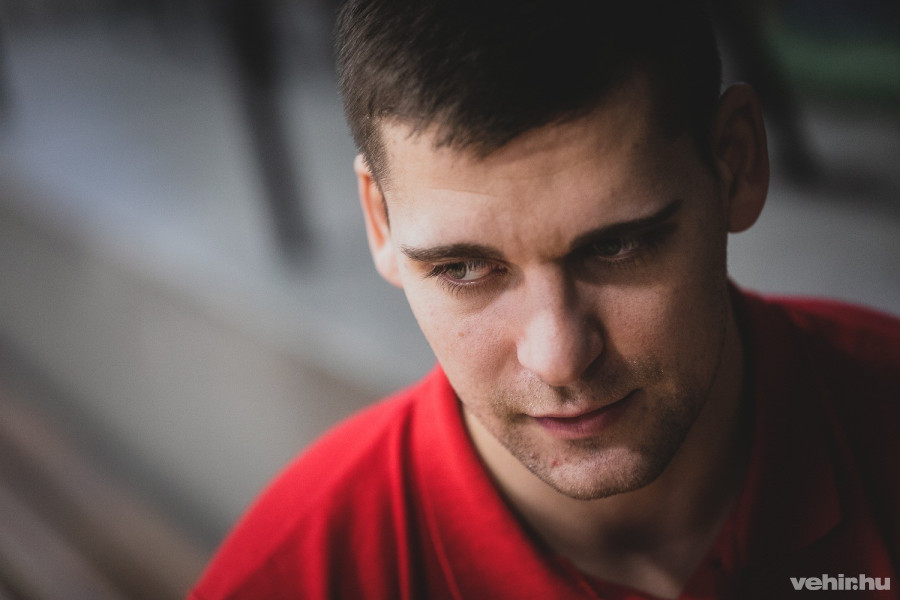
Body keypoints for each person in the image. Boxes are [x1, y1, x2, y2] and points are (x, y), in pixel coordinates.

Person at [190, 1, 900, 598]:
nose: (559, 357)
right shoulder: (296, 576)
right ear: (380, 222)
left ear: (734, 164)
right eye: (465, 267)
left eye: (618, 247)